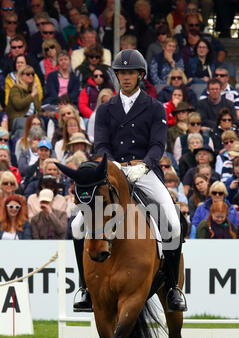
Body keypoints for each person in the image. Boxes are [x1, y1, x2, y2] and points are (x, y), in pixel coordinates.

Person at [90, 48, 186, 312]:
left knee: (172, 222)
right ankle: (85, 289)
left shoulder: (155, 107)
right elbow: (100, 145)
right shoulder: (106, 109)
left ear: (140, 75)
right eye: (121, 73)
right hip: (114, 173)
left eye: (130, 72)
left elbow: (158, 144)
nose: (126, 77)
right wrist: (114, 167)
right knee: (78, 223)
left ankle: (173, 289)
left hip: (144, 172)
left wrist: (143, 165)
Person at [6, 65, 42, 129]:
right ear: (21, 76)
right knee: (25, 124)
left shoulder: (33, 90)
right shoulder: (15, 89)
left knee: (44, 122)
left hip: (33, 118)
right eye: (28, 74)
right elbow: (18, 105)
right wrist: (32, 95)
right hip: (19, 118)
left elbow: (38, 109)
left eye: (32, 74)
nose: (31, 76)